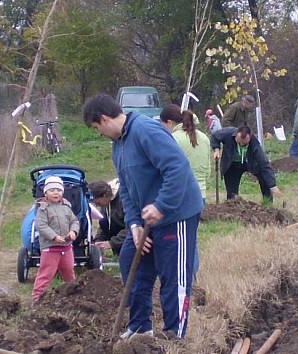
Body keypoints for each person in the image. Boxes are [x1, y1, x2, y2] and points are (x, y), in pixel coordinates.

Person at [83, 94, 203, 339]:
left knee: (174, 276)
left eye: (97, 128)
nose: (99, 133)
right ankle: (140, 328)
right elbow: (126, 188)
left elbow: (177, 167)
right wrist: (134, 224)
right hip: (146, 221)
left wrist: (161, 206)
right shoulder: (118, 146)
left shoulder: (146, 130)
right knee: (130, 259)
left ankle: (174, 336)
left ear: (104, 119)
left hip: (175, 214)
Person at [32, 176, 79, 303]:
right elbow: (41, 225)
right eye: (52, 190)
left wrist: (73, 231)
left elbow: (74, 221)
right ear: (45, 193)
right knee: (46, 273)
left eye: (58, 190)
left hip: (67, 247)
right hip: (50, 248)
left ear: (62, 192)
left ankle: (73, 295)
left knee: (69, 272)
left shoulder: (66, 207)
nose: (55, 193)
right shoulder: (43, 209)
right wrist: (54, 236)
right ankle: (37, 298)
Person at [211, 126, 280, 202]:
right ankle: (232, 206)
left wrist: (273, 185)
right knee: (232, 193)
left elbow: (264, 163)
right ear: (236, 135)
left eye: (244, 144)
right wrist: (216, 149)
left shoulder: (254, 143)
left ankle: (268, 203)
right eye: (239, 142)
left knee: (263, 177)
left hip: (250, 163)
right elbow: (215, 136)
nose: (241, 145)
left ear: (249, 138)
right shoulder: (228, 133)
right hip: (232, 164)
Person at [160, 105, 211, 203]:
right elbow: (207, 172)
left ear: (169, 123)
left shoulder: (172, 139)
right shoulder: (205, 138)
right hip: (200, 194)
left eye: (162, 124)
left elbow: (166, 168)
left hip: (179, 194)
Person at [88, 179, 126, 255]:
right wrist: (98, 240)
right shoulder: (106, 202)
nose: (97, 206)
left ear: (104, 195)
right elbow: (104, 225)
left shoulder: (123, 199)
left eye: (98, 202)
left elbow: (131, 227)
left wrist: (111, 243)